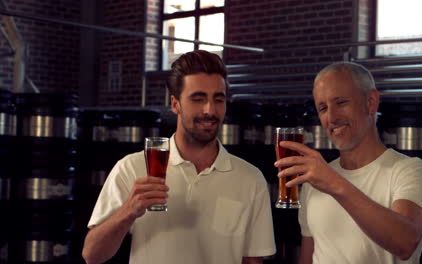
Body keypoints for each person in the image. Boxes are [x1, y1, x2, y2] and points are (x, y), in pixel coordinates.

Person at [82, 50, 276, 264]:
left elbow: (253, 260)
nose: (209, 110)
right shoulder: (132, 167)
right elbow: (92, 255)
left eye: (218, 99)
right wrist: (129, 210)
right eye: (198, 99)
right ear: (175, 104)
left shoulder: (250, 179)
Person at [274, 62, 422, 264]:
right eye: (323, 108)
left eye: (341, 102)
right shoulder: (314, 181)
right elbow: (309, 256)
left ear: (371, 102)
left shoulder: (408, 170)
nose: (331, 117)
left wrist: (334, 183)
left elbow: (405, 242)